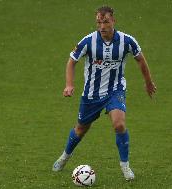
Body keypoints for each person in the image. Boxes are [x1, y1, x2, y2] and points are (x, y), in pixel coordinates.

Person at [52, 6, 156, 181]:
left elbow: (141, 60)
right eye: (99, 22)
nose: (102, 26)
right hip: (91, 94)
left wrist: (148, 82)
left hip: (115, 90)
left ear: (113, 21)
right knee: (81, 129)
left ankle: (125, 166)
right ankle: (64, 156)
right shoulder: (87, 41)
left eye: (106, 21)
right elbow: (71, 62)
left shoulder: (127, 41)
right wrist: (69, 85)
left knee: (119, 125)